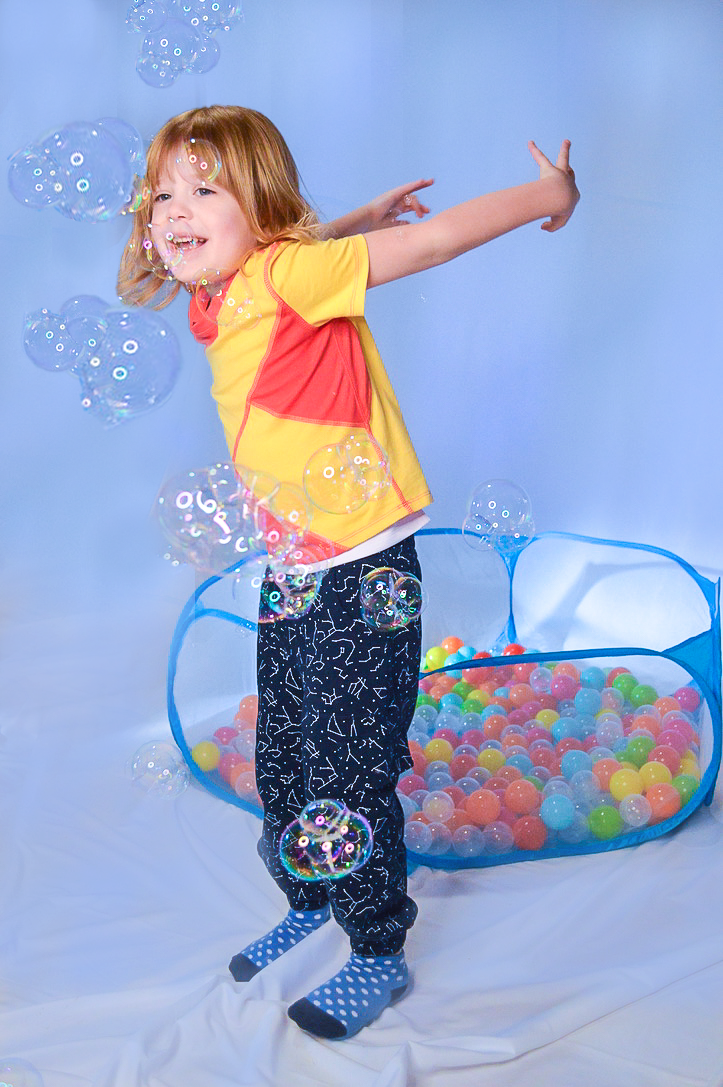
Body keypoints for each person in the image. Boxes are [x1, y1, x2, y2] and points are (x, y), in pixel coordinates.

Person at [118, 105, 579, 1040]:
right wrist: (358, 216)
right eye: (164, 192)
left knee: (344, 766)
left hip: (362, 568)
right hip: (294, 566)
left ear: (258, 206)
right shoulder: (232, 287)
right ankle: (312, 887)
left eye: (205, 189)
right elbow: (278, 253)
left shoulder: (290, 271)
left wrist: (548, 193)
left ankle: (375, 945)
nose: (176, 209)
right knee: (284, 750)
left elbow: (440, 240)